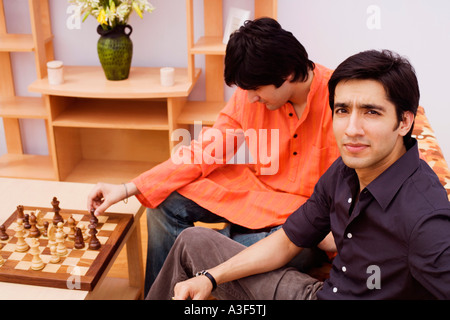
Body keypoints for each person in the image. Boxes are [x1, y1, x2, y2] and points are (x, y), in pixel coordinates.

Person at [147, 49, 450, 300]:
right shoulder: (344, 172)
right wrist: (211, 279)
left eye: (371, 112)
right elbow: (288, 241)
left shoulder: (425, 218)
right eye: (343, 110)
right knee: (192, 240)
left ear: (404, 122)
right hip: (316, 294)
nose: (352, 129)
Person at [87, 18, 340, 294]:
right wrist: (126, 188)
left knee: (295, 253)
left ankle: (204, 249)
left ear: (288, 73)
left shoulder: (342, 100)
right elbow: (204, 150)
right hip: (254, 196)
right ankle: (164, 290)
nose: (251, 99)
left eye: (256, 90)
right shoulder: (249, 95)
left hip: (300, 221)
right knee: (163, 201)